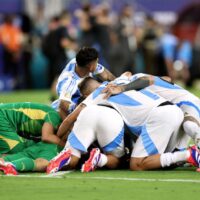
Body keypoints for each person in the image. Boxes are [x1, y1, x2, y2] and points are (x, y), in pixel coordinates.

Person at [45, 76, 200, 172]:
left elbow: (71, 118)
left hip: (159, 117)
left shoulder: (97, 94)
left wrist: (58, 134)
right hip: (172, 110)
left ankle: (189, 154)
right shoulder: (122, 80)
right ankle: (187, 154)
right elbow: (165, 78)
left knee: (137, 164)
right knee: (167, 162)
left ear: (85, 94)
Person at [102, 73, 200, 149]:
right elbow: (167, 78)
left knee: (190, 126)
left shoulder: (136, 78)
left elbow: (148, 79)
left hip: (187, 103)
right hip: (176, 113)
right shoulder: (135, 87)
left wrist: (122, 88)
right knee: (175, 151)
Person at [46, 105, 125, 174]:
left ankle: (68, 158)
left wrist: (59, 135)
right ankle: (99, 158)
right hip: (112, 116)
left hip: (88, 111)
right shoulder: (124, 92)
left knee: (73, 157)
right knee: (116, 159)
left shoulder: (95, 93)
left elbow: (68, 120)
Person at [52, 47, 116, 119]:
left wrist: (118, 85)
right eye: (96, 61)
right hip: (70, 109)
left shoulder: (82, 64)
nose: (97, 63)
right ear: (90, 66)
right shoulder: (68, 82)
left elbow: (107, 76)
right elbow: (63, 105)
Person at [0, 102, 64, 155]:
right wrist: (67, 147)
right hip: (2, 117)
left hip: (4, 119)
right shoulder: (54, 115)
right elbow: (46, 137)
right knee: (19, 153)